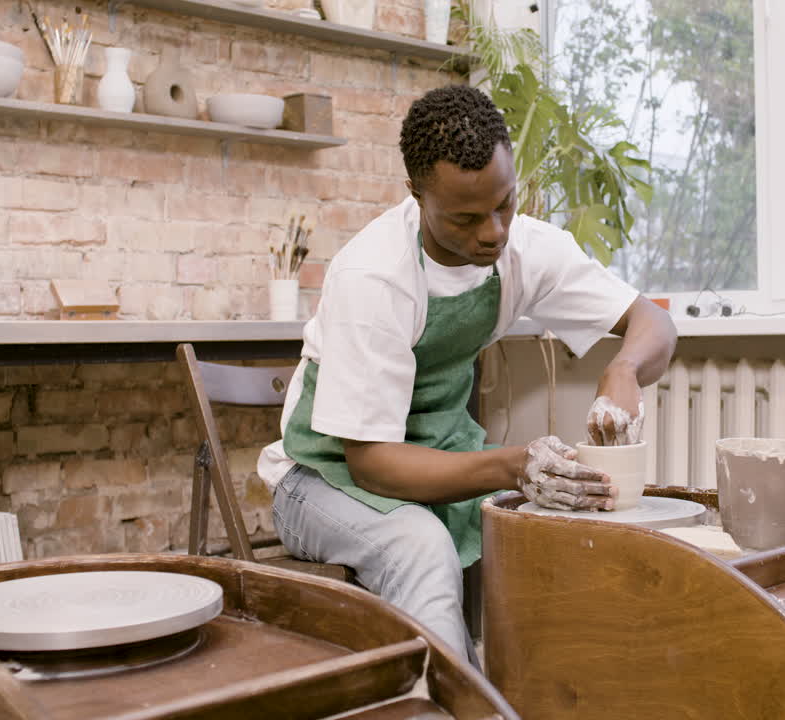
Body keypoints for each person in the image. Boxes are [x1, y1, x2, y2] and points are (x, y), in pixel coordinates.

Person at [257, 84, 677, 662]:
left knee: (547, 526)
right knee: (420, 545)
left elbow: (652, 321)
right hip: (321, 481)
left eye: (504, 204)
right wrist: (510, 464)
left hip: (436, 458)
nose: (493, 233)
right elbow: (371, 462)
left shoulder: (523, 248)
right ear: (416, 195)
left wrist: (624, 369)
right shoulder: (376, 276)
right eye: (465, 217)